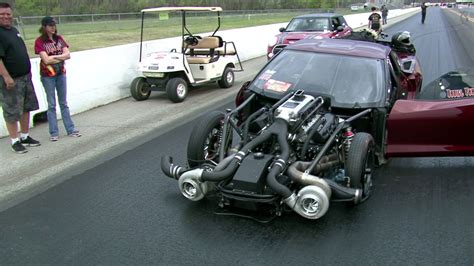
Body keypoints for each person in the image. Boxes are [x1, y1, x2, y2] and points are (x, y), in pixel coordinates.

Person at [0, 2, 41, 154]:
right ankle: (14, 141)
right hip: (10, 80)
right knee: (11, 111)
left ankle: (25, 136)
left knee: (26, 107)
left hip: (25, 77)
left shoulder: (13, 30)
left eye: (8, 14)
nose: (5, 16)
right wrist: (6, 77)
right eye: (2, 14)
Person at [34, 16, 81, 141]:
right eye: (50, 25)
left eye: (54, 25)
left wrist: (55, 57)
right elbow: (46, 59)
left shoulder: (59, 39)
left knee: (63, 102)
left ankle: (70, 129)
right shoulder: (40, 42)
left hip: (61, 72)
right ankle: (54, 132)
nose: (53, 28)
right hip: (48, 75)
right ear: (44, 27)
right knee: (51, 104)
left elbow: (68, 55)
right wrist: (60, 56)